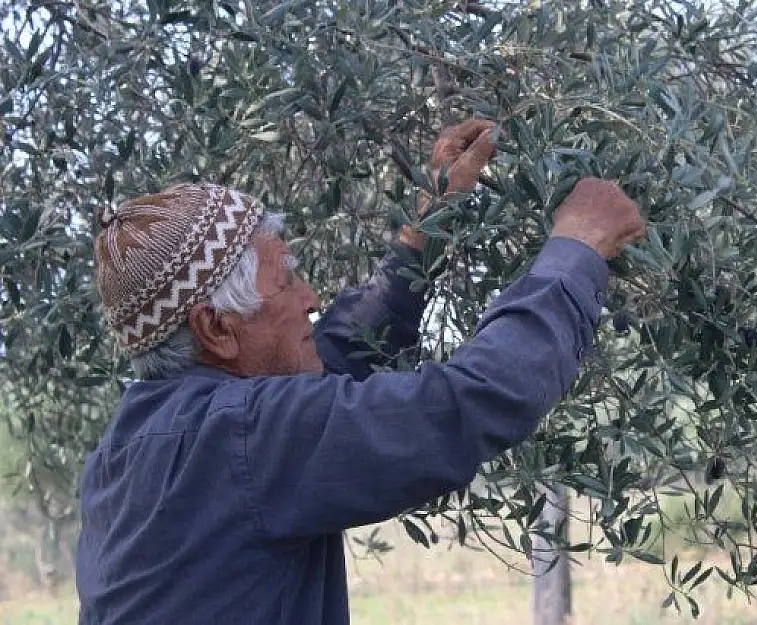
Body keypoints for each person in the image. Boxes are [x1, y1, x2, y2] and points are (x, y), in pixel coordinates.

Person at [75, 117, 646, 624]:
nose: (311, 296)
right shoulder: (244, 440)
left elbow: (335, 357)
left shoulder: (132, 448)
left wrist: (427, 226)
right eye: (286, 279)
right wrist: (578, 249)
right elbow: (472, 401)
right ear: (216, 329)